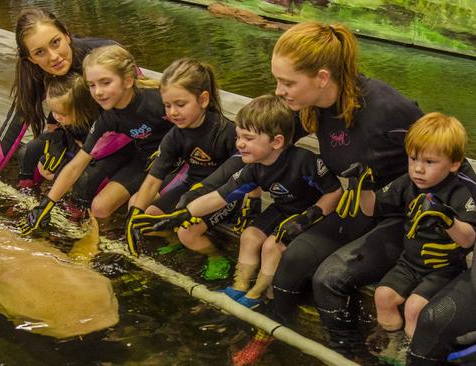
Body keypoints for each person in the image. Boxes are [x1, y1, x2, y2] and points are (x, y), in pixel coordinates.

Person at [268, 21, 425, 359]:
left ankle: (351, 354)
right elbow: (265, 144)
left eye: (287, 82)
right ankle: (279, 335)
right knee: (291, 256)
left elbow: (450, 162)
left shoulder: (386, 108)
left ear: (322, 77)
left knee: (329, 279)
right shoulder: (309, 105)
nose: (279, 90)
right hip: (359, 206)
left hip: (403, 216)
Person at [135, 95, 342, 291]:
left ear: (276, 142)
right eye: (239, 136)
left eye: (248, 138)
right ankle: (240, 285)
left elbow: (335, 192)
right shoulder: (252, 168)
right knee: (249, 237)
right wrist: (184, 214)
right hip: (283, 208)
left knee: (271, 246)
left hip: (310, 213)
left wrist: (309, 217)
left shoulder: (304, 161)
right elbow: (218, 197)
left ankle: (262, 291)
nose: (240, 144)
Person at [0, 7, 117, 219]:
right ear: (30, 58)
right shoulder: (34, 74)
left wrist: (88, 152)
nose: (54, 57)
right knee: (36, 162)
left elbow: (137, 115)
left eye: (55, 42)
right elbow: (10, 130)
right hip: (81, 133)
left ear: (66, 34)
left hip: (121, 139)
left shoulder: (103, 56)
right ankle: (30, 198)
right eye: (40, 52)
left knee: (85, 186)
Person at [351, 113, 476, 363]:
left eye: (429, 162)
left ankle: (411, 352)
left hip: (443, 269)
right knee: (383, 296)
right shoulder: (408, 183)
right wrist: (362, 186)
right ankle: (393, 346)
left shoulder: (460, 192)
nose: (418, 168)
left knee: (414, 308)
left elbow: (468, 240)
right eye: (413, 158)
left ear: (453, 164)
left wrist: (447, 220)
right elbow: (371, 208)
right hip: (409, 263)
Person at [17, 44, 172, 234]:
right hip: (146, 160)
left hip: (178, 160)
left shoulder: (159, 101)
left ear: (128, 80)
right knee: (99, 207)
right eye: (92, 85)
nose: (97, 92)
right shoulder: (107, 118)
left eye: (105, 82)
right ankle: (107, 240)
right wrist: (46, 204)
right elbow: (76, 165)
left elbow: (201, 122)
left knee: (140, 208)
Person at [125, 58, 238, 263]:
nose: (173, 112)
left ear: (203, 100)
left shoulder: (226, 131)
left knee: (188, 233)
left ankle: (216, 257)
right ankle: (174, 240)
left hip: (223, 194)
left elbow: (246, 172)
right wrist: (134, 215)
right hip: (190, 187)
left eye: (180, 104)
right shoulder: (175, 135)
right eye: (167, 105)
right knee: (148, 218)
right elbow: (153, 180)